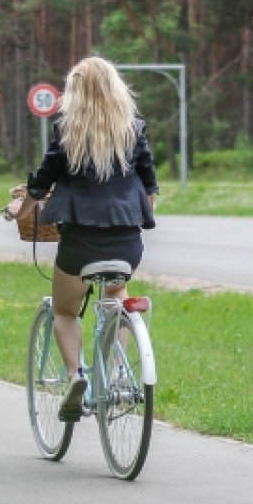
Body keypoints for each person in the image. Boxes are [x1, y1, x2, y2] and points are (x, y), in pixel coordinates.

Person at [23, 57, 158, 421]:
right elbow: (150, 189)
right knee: (116, 294)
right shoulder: (134, 131)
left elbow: (41, 183)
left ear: (74, 93)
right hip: (127, 244)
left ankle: (75, 377)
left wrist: (19, 211)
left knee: (66, 311)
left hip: (79, 243)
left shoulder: (67, 131)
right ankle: (116, 371)